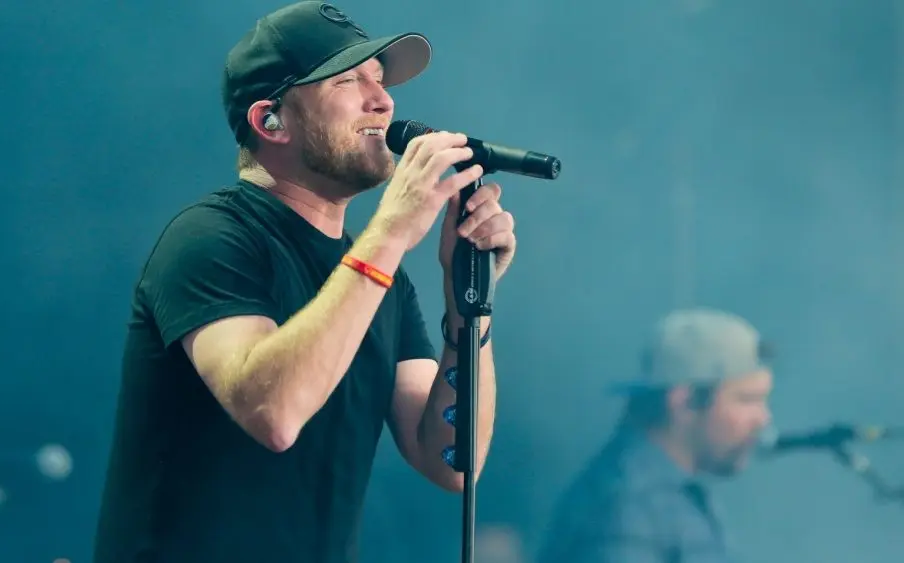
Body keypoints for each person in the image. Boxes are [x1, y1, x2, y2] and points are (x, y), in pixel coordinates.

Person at [92, 2, 516, 562]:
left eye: (380, 80)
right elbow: (274, 414)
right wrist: (391, 231)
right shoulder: (210, 238)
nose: (383, 100)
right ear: (271, 121)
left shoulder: (383, 282)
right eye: (348, 81)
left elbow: (450, 462)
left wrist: (467, 301)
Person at [537, 308, 775, 563]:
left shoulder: (671, 496)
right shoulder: (630, 505)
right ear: (683, 400)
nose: (763, 418)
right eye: (747, 400)